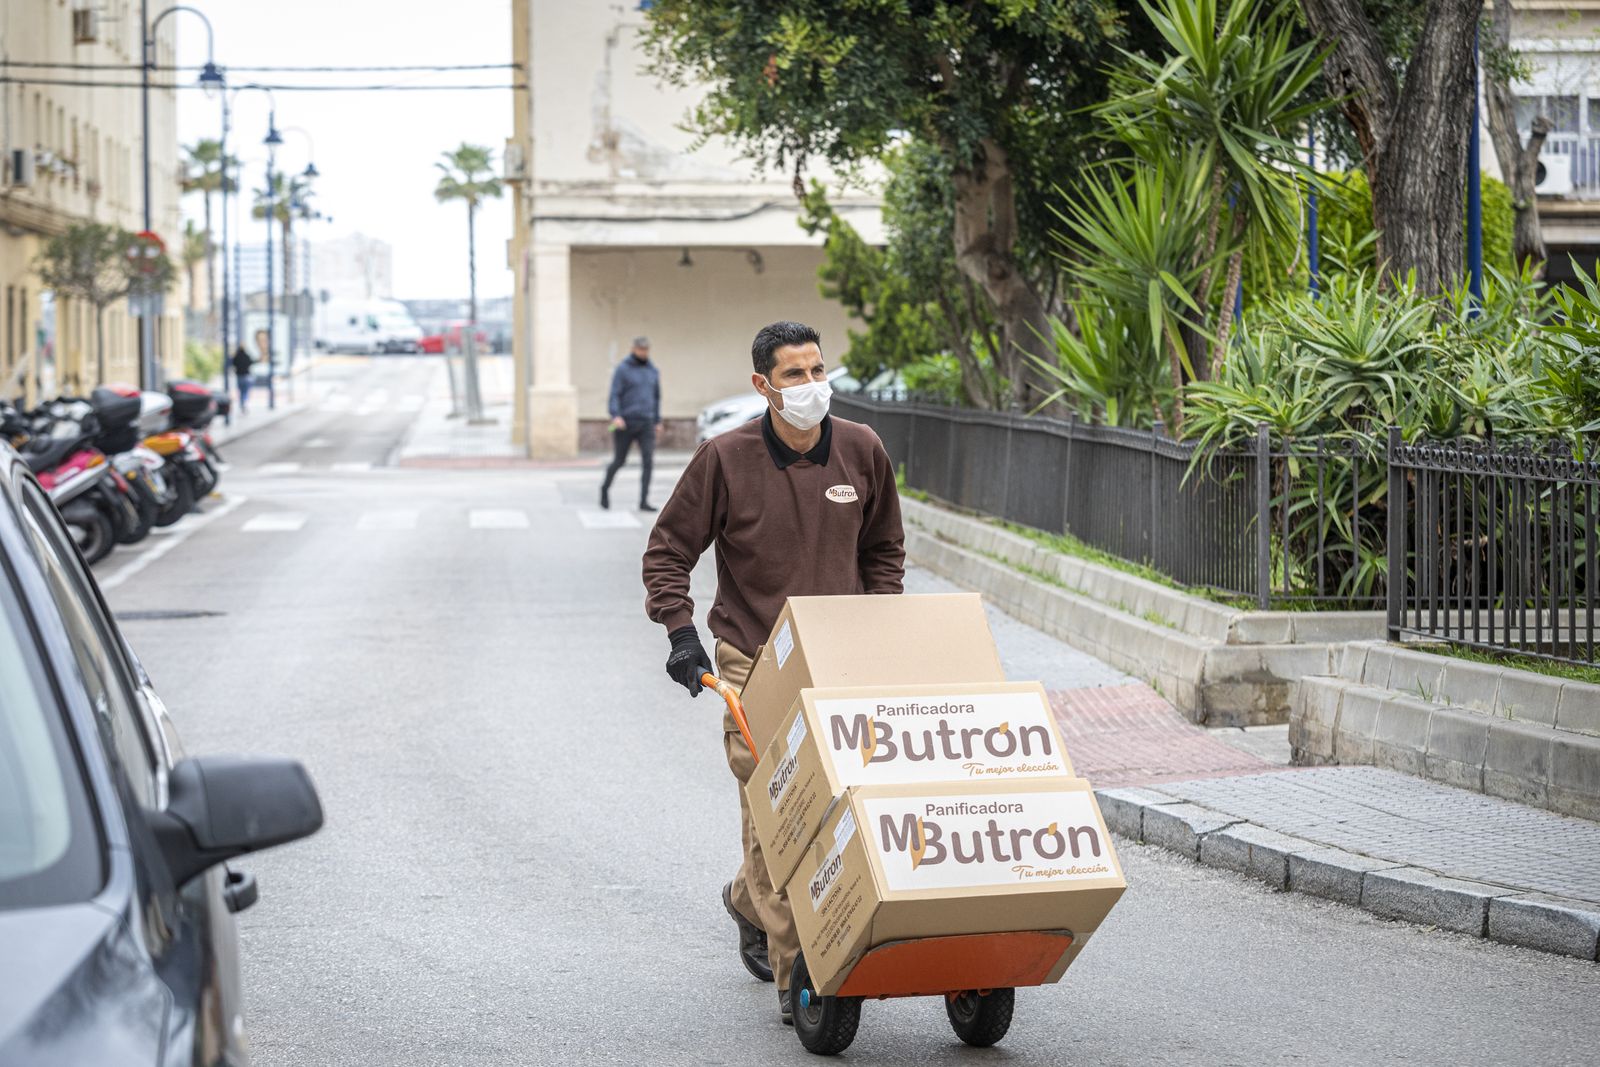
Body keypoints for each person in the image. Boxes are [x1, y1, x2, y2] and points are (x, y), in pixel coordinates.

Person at [641, 320, 905, 1023]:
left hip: (840, 654)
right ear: (763, 385)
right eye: (794, 374)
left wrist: (882, 625)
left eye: (818, 370)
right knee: (777, 814)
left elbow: (884, 550)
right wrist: (681, 633)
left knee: (841, 803)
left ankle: (746, 899)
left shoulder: (861, 449)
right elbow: (668, 551)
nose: (812, 384)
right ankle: (800, 978)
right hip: (754, 656)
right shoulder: (725, 459)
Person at [600, 336, 661, 511]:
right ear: (633, 349)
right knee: (619, 460)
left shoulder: (652, 370)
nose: (643, 352)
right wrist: (616, 415)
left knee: (648, 461)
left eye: (646, 349)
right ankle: (604, 489)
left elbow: (656, 397)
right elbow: (614, 394)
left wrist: (657, 420)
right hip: (625, 422)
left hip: (646, 422)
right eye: (640, 349)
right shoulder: (623, 369)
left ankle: (644, 501)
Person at [232, 345, 254, 415]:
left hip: (239, 376)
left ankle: (242, 404)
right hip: (246, 376)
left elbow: (233, 363)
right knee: (245, 391)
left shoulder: (236, 356)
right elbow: (251, 362)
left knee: (241, 391)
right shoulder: (247, 356)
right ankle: (244, 403)